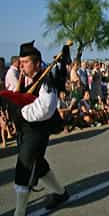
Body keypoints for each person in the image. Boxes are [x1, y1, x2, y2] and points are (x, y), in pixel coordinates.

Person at [0, 41, 69, 216]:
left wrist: (20, 112)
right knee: (38, 163)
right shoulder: (23, 79)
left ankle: (19, 212)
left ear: (37, 63)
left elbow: (45, 109)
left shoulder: (47, 82)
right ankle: (61, 193)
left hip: (38, 131)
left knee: (24, 165)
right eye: (20, 62)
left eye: (25, 62)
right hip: (25, 130)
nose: (21, 65)